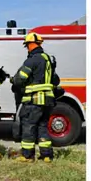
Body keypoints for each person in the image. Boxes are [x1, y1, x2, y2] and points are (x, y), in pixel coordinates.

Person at [12, 32, 60, 163]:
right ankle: (46, 155)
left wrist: (13, 80)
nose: (27, 48)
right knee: (42, 126)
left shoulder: (32, 60)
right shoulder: (48, 59)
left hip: (34, 100)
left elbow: (20, 79)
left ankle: (27, 156)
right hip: (48, 101)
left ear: (31, 44)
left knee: (29, 126)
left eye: (27, 45)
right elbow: (56, 79)